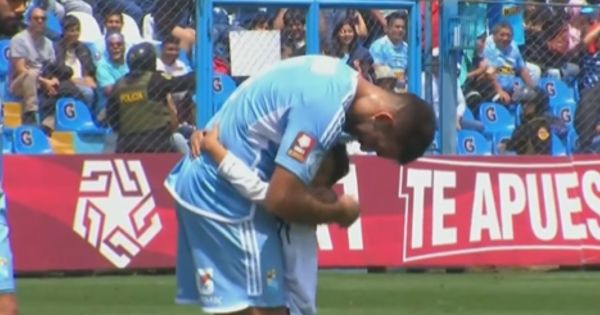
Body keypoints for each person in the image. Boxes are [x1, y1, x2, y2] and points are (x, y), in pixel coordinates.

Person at [165, 55, 435, 315]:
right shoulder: (326, 106)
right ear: (384, 120)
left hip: (217, 185)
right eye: (377, 145)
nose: (365, 146)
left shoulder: (336, 78)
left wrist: (212, 133)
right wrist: (340, 212)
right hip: (221, 196)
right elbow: (280, 198)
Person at [187, 125, 349, 315]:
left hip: (291, 307)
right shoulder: (283, 184)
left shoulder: (314, 201)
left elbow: (255, 189)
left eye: (318, 170)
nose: (308, 171)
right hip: (269, 295)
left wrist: (215, 150)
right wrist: (202, 139)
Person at [106, 42, 195, 153]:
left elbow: (113, 119)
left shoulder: (118, 85)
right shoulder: (155, 79)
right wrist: (202, 71)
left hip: (127, 145)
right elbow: (181, 83)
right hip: (156, 143)